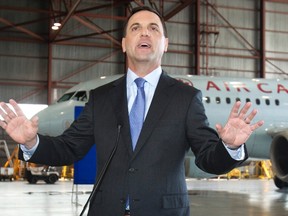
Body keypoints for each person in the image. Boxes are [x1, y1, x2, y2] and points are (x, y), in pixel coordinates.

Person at [0, 6, 264, 216]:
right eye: (136, 28)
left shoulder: (185, 97)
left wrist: (229, 148)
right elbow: (69, 148)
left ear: (166, 44)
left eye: (153, 28)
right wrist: (31, 142)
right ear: (125, 43)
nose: (145, 33)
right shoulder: (101, 98)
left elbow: (207, 158)